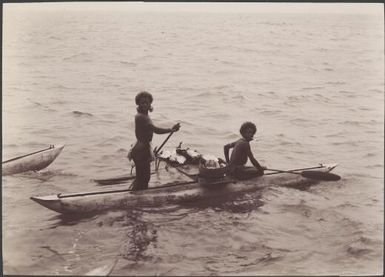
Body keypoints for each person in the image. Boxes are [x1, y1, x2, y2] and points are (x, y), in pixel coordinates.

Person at [129, 91, 180, 190]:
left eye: (147, 103)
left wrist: (171, 129)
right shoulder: (141, 117)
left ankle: (138, 194)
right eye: (142, 102)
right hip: (140, 150)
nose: (144, 104)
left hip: (143, 148)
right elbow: (155, 130)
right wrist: (170, 129)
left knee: (143, 177)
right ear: (138, 104)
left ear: (150, 105)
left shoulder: (144, 115)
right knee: (143, 177)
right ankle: (137, 196)